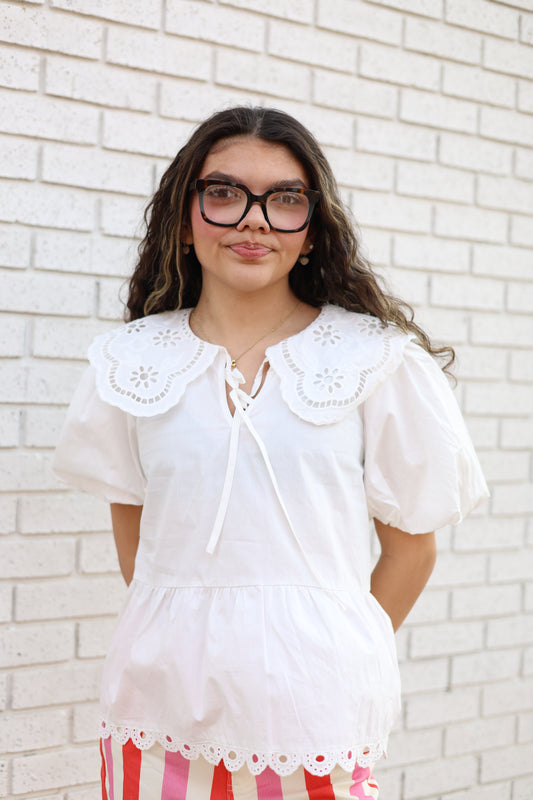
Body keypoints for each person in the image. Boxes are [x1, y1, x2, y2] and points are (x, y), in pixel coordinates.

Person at [53, 106, 489, 800]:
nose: (252, 219)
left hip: (312, 719)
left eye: (284, 199)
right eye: (223, 193)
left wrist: (334, 649)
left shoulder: (373, 360)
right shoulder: (133, 362)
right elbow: (135, 525)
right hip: (155, 710)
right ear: (184, 215)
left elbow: (412, 549)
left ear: (312, 230)